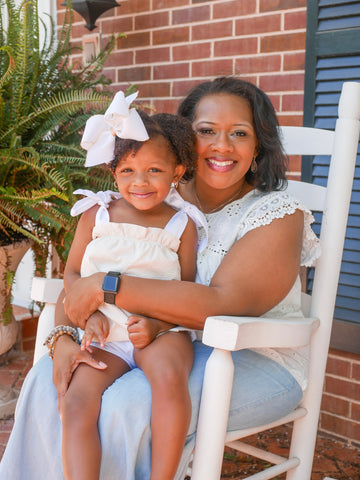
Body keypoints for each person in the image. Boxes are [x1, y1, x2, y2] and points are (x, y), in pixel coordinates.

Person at [0, 77, 320, 480]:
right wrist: (62, 338)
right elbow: (80, 275)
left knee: (127, 403)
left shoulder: (278, 214)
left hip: (253, 357)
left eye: (239, 133)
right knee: (49, 385)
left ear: (259, 146)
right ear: (184, 143)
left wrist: (106, 284)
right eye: (206, 132)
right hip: (148, 339)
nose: (222, 146)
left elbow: (222, 304)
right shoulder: (154, 195)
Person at [47, 91, 205, 480]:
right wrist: (89, 315)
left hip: (161, 332)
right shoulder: (96, 214)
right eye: (128, 171)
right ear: (113, 171)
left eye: (155, 170)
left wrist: (159, 326)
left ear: (178, 172)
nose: (141, 182)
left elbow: (185, 291)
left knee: (169, 381)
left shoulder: (182, 225)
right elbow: (72, 277)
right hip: (105, 333)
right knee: (78, 401)